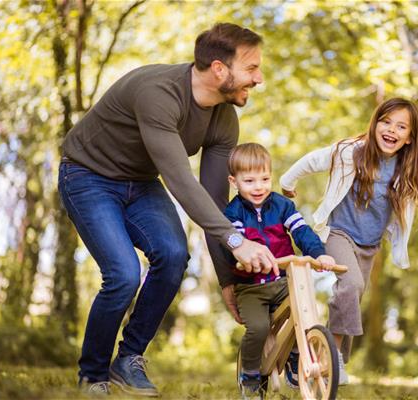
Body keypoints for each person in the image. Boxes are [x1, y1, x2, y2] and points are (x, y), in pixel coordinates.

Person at [58, 23, 279, 396]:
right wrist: (236, 241)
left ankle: (128, 359)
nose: (259, 79)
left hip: (140, 183)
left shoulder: (224, 117)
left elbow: (213, 204)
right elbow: (180, 180)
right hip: (88, 176)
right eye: (252, 68)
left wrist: (227, 280)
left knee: (175, 254)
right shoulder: (158, 93)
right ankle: (93, 375)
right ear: (219, 69)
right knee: (124, 274)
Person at [280, 98, 418, 385]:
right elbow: (313, 160)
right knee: (350, 285)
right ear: (375, 123)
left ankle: (311, 355)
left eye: (401, 126)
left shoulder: (409, 169)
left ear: (409, 138)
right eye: (386, 121)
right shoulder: (350, 152)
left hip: (369, 245)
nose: (392, 130)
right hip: (338, 233)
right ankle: (336, 358)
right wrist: (287, 183)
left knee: (352, 296)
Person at [222, 143, 336, 398]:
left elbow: (301, 231)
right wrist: (250, 260)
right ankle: (250, 372)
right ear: (234, 181)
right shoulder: (233, 212)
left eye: (264, 178)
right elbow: (238, 243)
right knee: (259, 328)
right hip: (251, 287)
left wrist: (320, 254)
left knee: (304, 309)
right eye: (249, 180)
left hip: (284, 279)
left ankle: (297, 358)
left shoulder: (282, 206)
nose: (259, 186)